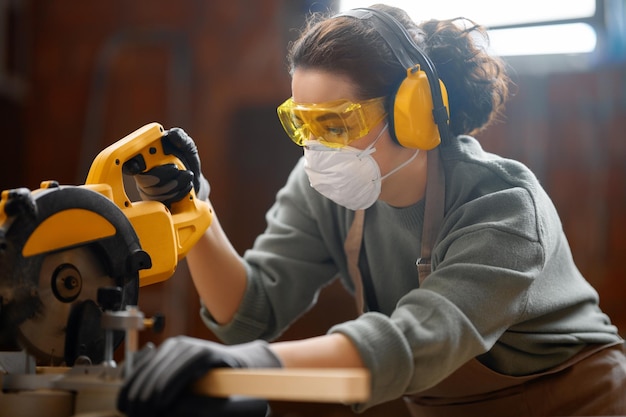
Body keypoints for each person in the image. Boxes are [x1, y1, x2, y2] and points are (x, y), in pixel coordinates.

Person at [117, 4, 626, 417]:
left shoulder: (504, 208)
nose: (317, 149)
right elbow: (250, 312)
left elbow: (413, 341)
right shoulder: (324, 189)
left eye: (335, 124)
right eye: (304, 125)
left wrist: (248, 363)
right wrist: (192, 208)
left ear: (412, 114)